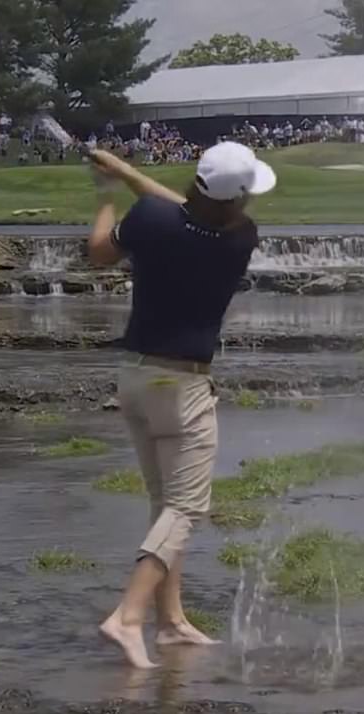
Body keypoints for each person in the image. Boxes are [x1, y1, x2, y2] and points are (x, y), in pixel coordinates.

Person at [87, 142, 276, 669]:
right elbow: (191, 214)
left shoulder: (151, 219)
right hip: (184, 385)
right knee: (187, 508)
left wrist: (109, 190)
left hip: (135, 378)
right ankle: (128, 617)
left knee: (164, 506)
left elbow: (101, 250)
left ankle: (170, 624)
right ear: (235, 201)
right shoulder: (241, 237)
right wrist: (127, 174)